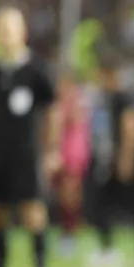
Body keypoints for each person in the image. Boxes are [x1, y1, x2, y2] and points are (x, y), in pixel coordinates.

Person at [0, 7, 58, 267]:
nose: (6, 35)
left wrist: (50, 149)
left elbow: (52, 110)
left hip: (27, 154)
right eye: (1, 29)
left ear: (22, 32)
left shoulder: (36, 71)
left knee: (33, 215)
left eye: (11, 28)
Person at [86, 52, 134, 267]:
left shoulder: (124, 98)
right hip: (117, 160)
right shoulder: (109, 99)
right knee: (105, 205)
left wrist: (126, 159)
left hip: (127, 160)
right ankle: (110, 250)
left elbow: (131, 127)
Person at [53, 72, 91, 255]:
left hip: (74, 154)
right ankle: (66, 231)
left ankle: (71, 233)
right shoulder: (59, 103)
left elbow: (70, 120)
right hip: (62, 153)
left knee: (71, 194)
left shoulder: (76, 103)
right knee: (63, 195)